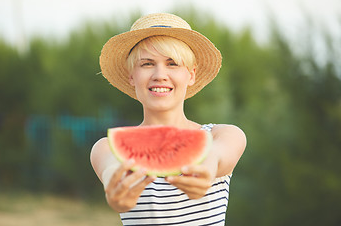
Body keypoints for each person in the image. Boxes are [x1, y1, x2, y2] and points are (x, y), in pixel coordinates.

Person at [90, 13, 246, 226]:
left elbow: (219, 154)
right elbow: (110, 169)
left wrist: (208, 164)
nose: (159, 74)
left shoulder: (222, 135)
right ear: (131, 76)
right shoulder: (107, 147)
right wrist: (114, 187)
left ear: (190, 75)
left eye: (172, 63)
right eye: (147, 64)